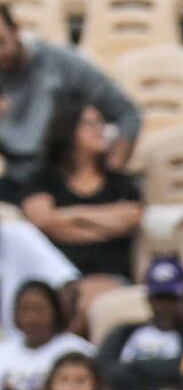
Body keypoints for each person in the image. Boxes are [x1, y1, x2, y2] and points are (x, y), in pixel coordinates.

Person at [21, 96, 140, 323]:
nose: (100, 130)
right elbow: (43, 220)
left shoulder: (119, 182)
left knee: (87, 298)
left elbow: (129, 219)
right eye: (90, 124)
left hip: (111, 277)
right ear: (68, 130)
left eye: (101, 123)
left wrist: (71, 215)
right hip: (57, 278)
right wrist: (103, 226)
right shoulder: (44, 179)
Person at [0, 8, 139, 188]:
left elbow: (128, 114)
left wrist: (110, 178)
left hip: (68, 183)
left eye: (1, 42)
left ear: (16, 29)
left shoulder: (63, 63)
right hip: (18, 183)